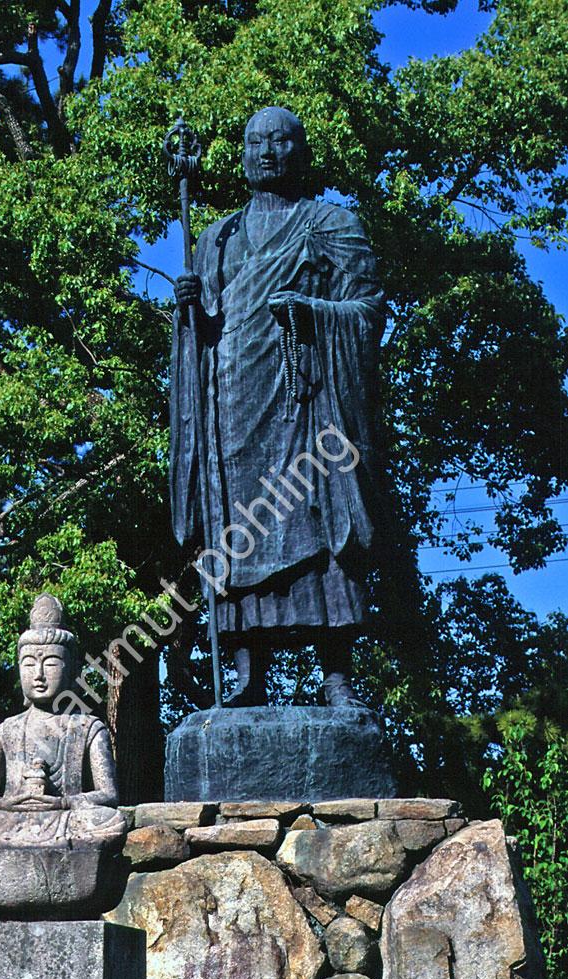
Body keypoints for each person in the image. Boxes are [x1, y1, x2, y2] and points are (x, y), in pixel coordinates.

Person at [170, 106, 385, 707]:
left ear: (302, 153)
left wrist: (313, 312)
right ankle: (248, 674)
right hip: (232, 406)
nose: (267, 151)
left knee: (320, 524)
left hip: (307, 403)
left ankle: (337, 675)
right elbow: (205, 333)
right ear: (240, 155)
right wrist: (188, 313)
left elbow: (368, 311)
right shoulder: (217, 240)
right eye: (255, 141)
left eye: (281, 141)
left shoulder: (330, 224)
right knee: (238, 532)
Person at [0, 593, 126, 850]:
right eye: (28, 664)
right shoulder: (8, 730)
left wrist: (62, 803)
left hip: (64, 819)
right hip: (10, 821)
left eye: (50, 663)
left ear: (72, 671)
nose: (38, 675)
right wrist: (8, 803)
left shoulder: (88, 727)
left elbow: (108, 795)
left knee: (109, 821)